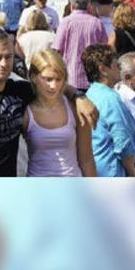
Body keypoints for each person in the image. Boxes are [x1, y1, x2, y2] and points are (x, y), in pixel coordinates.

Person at [0, 30, 98, 177]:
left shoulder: (20, 91)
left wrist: (79, 97)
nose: (4, 63)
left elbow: (53, 85)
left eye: (8, 57)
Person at [24, 49, 97, 177]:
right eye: (48, 79)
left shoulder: (76, 108)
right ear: (33, 77)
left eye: (59, 79)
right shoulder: (25, 112)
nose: (53, 86)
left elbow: (87, 159)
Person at [82, 44, 135, 177]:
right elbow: (123, 145)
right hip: (111, 172)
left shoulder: (89, 94)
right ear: (103, 69)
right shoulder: (111, 99)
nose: (120, 68)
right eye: (116, 65)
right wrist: (133, 174)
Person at [53, 0, 108, 92]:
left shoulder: (66, 22)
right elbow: (104, 48)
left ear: (71, 5)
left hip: (71, 77)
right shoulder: (97, 23)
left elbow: (57, 50)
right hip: (93, 77)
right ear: (88, 5)